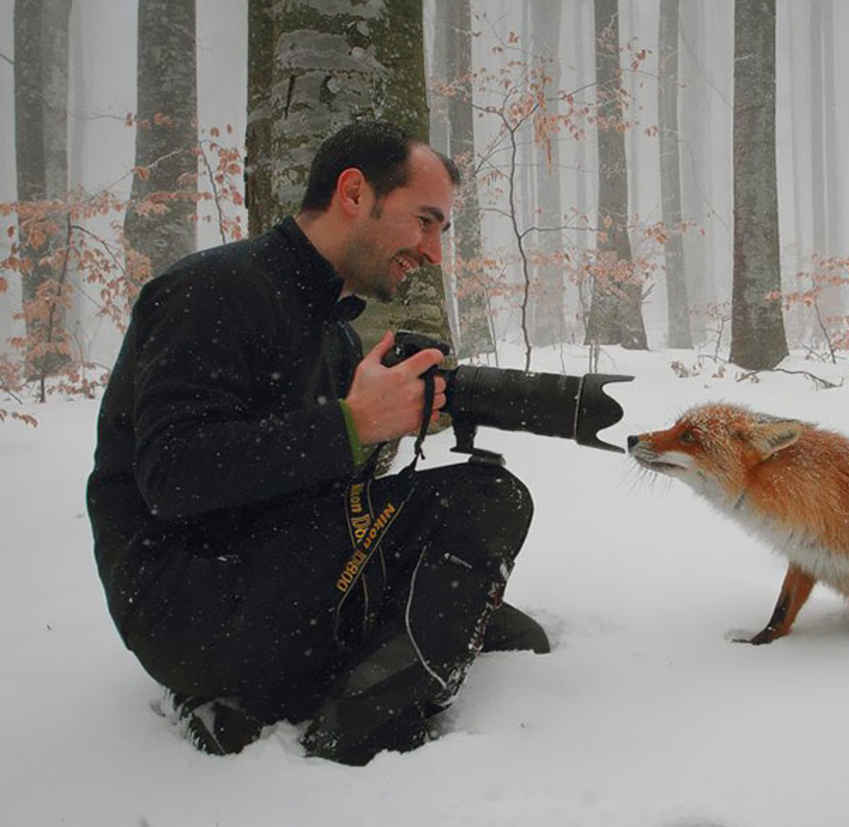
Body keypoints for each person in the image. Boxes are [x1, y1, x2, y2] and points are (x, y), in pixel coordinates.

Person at [86, 121, 548, 765]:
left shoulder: (333, 334)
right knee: (487, 499)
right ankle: (362, 732)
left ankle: (320, 669)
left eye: (441, 230)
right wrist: (352, 425)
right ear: (354, 193)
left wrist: (378, 431)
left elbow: (305, 488)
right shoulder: (211, 290)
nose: (434, 252)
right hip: (190, 607)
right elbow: (172, 476)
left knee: (494, 603)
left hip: (266, 576)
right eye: (425, 221)